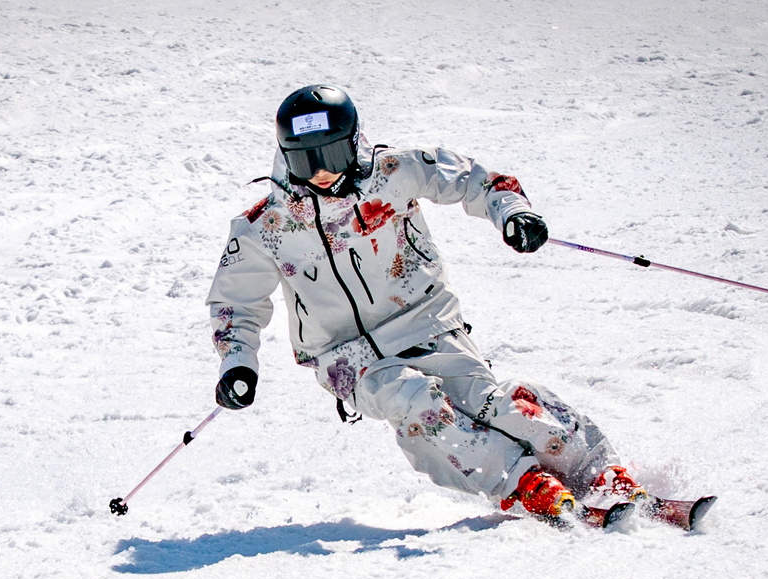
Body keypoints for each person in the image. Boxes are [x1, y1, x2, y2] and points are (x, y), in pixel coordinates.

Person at [204, 84, 655, 525]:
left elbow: (478, 181)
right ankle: (518, 481)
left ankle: (595, 470)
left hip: (426, 321)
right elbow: (235, 303)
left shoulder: (395, 171)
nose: (320, 172)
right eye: (304, 159)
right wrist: (238, 363)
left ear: (354, 142)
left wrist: (513, 212)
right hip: (343, 353)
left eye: (332, 155)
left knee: (492, 403)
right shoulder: (266, 225)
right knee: (414, 400)